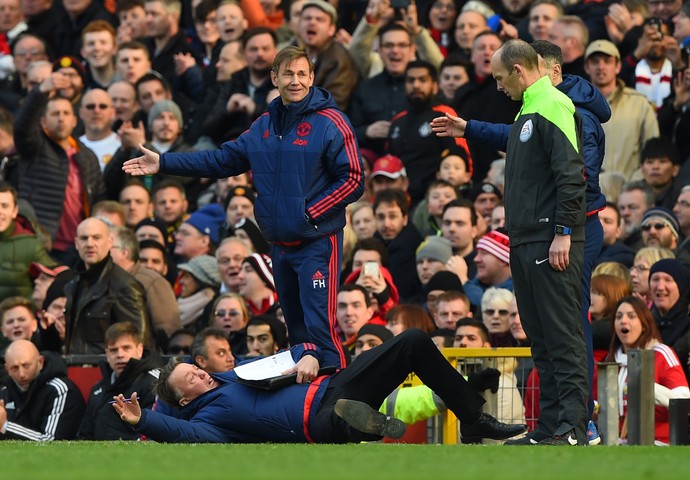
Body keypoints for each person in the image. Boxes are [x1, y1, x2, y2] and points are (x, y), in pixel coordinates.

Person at [123, 46, 364, 369]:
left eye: (302, 74)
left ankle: (338, 395)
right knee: (297, 330)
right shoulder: (263, 126)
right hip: (279, 243)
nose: (296, 81)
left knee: (320, 326)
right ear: (274, 78)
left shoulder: (331, 121)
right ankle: (311, 404)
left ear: (312, 77)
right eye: (288, 74)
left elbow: (353, 179)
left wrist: (308, 214)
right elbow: (220, 160)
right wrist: (164, 161)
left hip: (317, 242)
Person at [432, 39, 588, 445]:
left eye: (500, 78)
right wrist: (469, 128)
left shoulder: (551, 103)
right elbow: (515, 138)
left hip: (548, 238)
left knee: (561, 335)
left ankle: (571, 428)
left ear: (519, 71)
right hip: (526, 238)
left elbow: (571, 176)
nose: (498, 87)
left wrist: (563, 233)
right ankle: (551, 427)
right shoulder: (530, 109)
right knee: (541, 337)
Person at [112, 328, 527, 444]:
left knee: (413, 342)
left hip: (330, 385)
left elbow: (291, 357)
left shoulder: (233, 373)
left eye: (195, 368)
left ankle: (471, 418)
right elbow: (176, 427)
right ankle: (361, 425)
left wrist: (307, 356)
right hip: (315, 421)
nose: (200, 373)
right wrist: (142, 421)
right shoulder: (208, 421)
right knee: (341, 420)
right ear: (184, 397)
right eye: (191, 378)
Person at [605, 296, 690, 445]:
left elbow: (683, 399)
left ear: (644, 324)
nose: (623, 321)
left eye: (631, 316)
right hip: (618, 444)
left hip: (659, 442)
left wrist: (646, 389)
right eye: (618, 317)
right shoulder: (610, 360)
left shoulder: (661, 354)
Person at [64, 217, 149, 354]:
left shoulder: (125, 286)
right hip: (76, 369)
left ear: (110, 242)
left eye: (96, 238)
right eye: (84, 238)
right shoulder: (72, 285)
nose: (89, 244)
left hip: (108, 371)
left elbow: (141, 343)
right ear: (76, 243)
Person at [78, 322, 161, 440]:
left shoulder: (154, 382)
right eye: (113, 350)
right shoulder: (97, 389)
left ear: (140, 349)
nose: (120, 355)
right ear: (107, 354)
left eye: (126, 348)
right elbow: (85, 435)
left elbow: (154, 433)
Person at [0, 339, 85, 440]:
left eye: (26, 366)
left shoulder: (60, 390)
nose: (21, 374)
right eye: (14, 368)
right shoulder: (5, 391)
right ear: (7, 369)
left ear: (40, 362)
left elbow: (51, 441)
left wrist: (5, 426)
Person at [0, 181, 55, 300]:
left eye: (4, 206)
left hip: (17, 317)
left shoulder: (31, 245)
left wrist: (33, 308)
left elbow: (53, 279)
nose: (0, 211)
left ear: (15, 211)